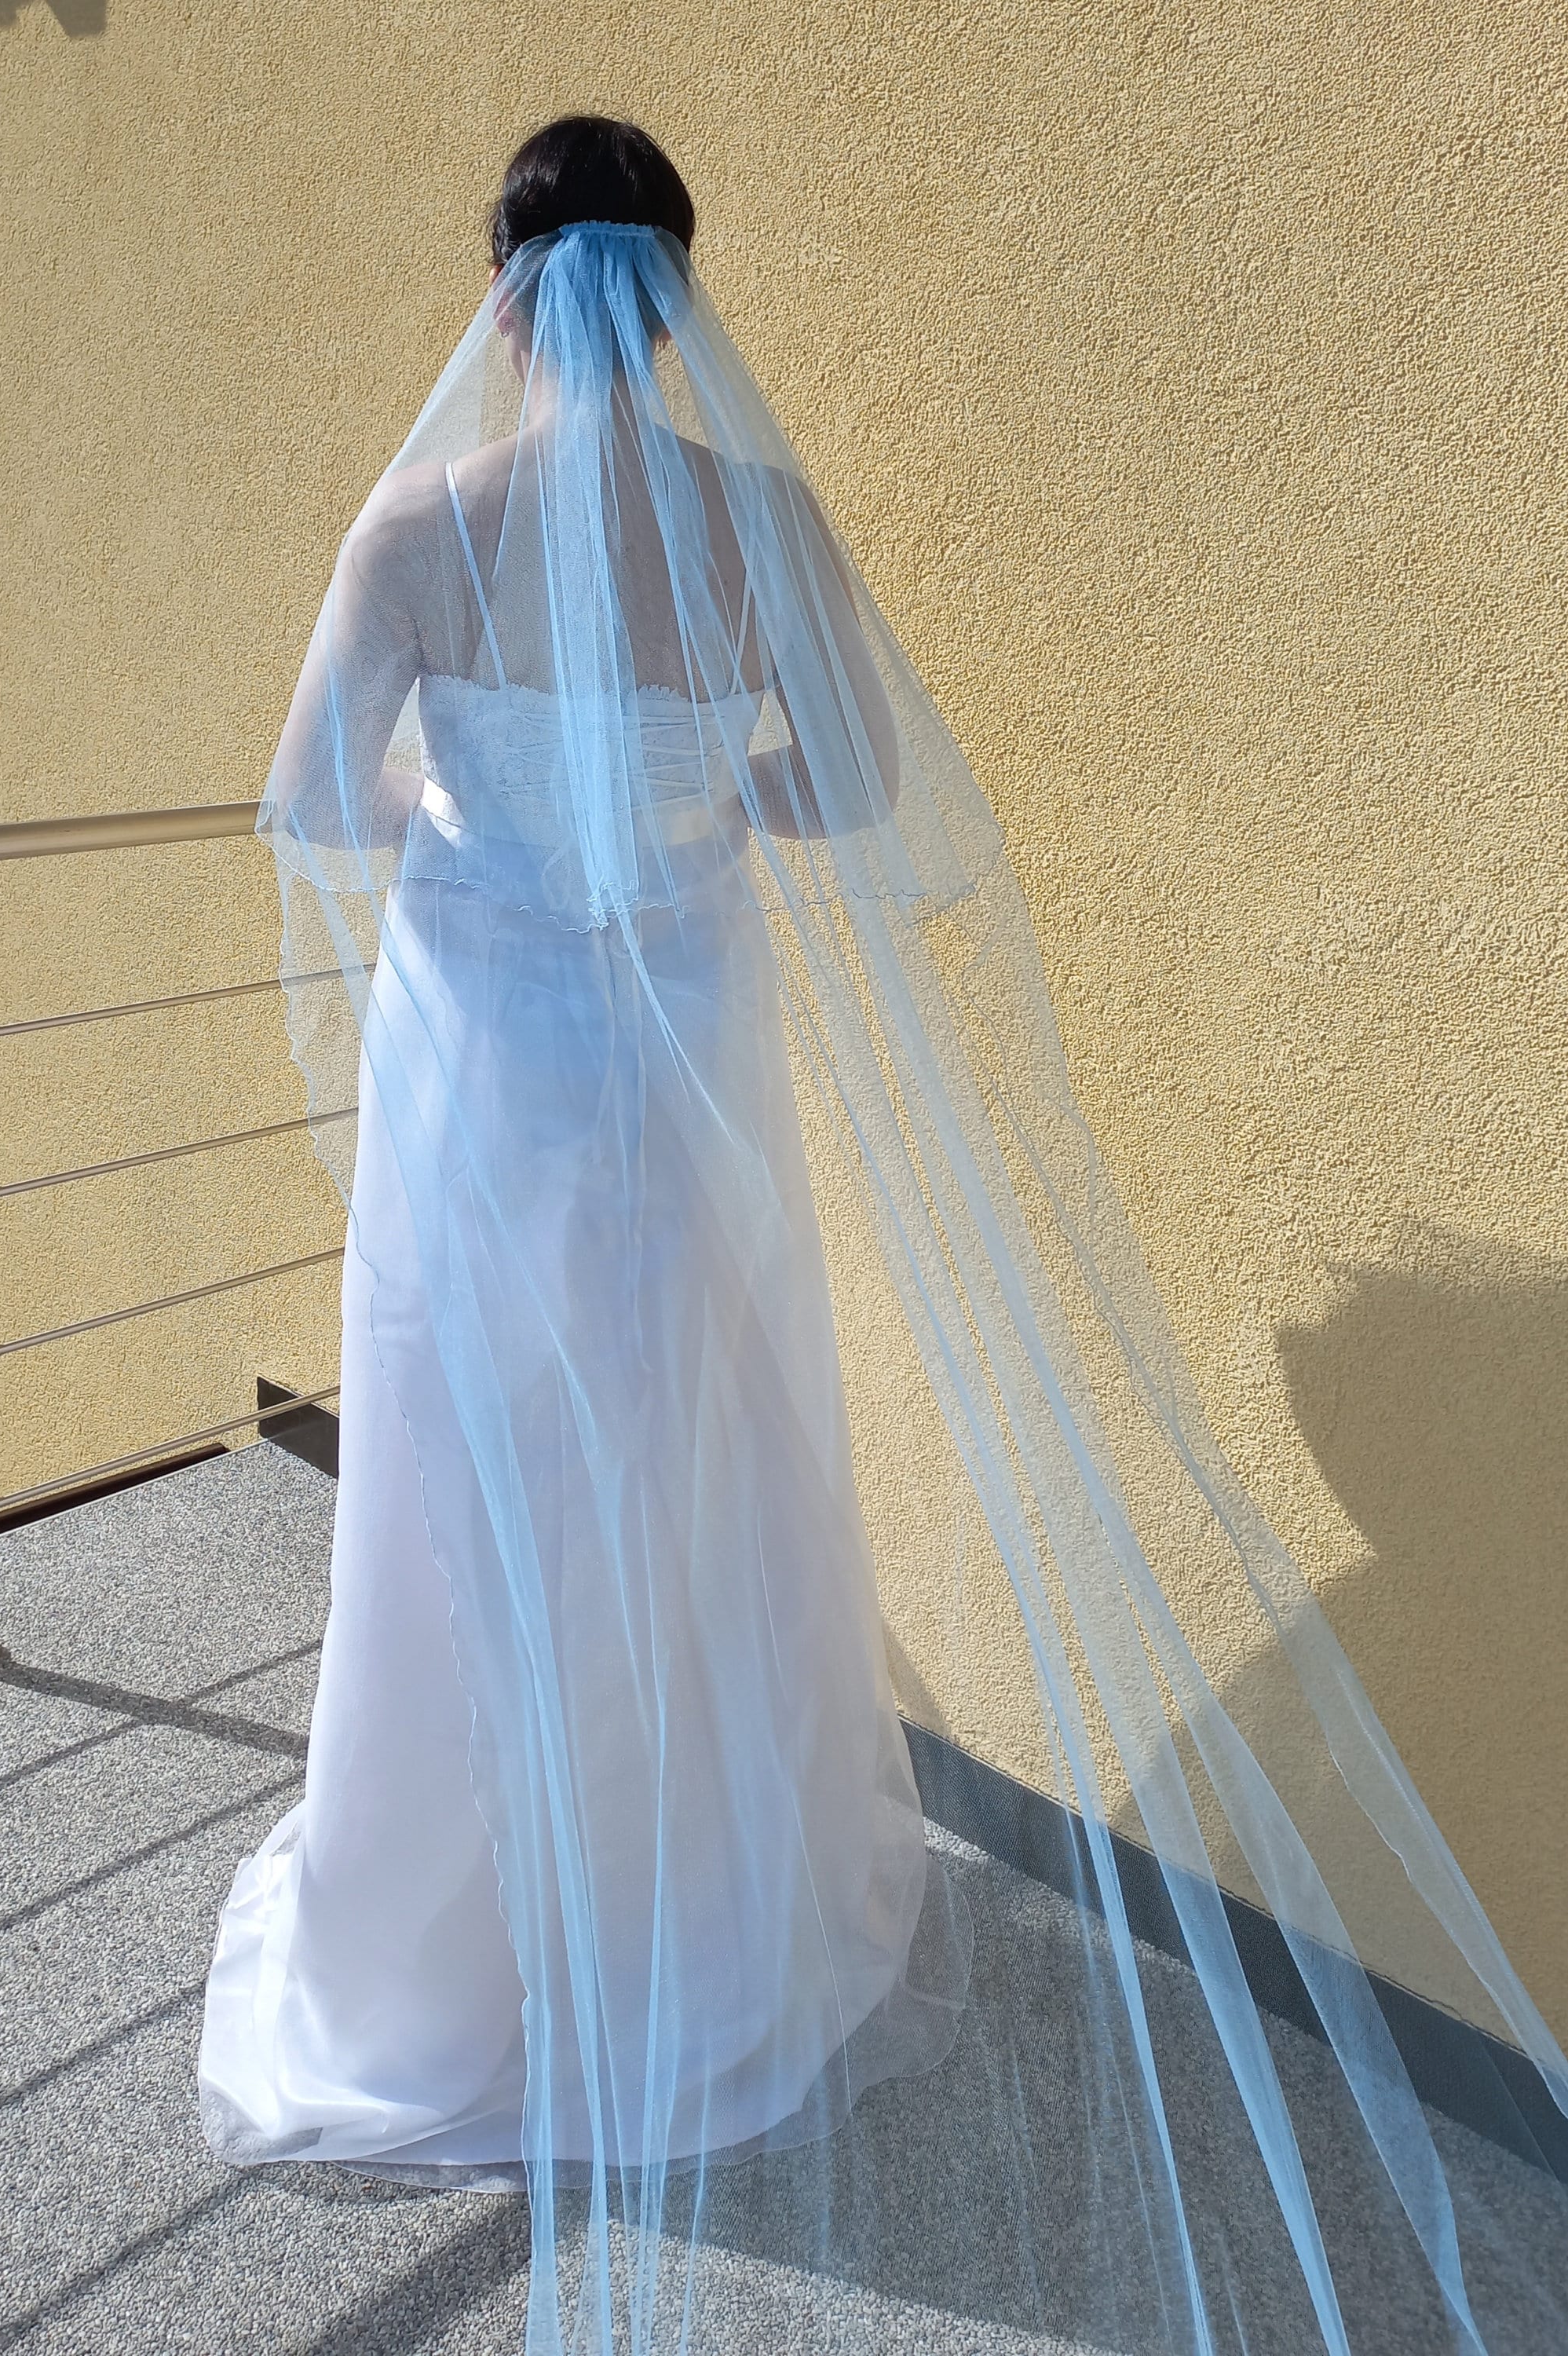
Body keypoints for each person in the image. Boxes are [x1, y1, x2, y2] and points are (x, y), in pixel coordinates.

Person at [199, 115, 1567, 2355]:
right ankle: (706, 1938)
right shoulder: (752, 522)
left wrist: (478, 811)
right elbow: (844, 789)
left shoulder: (427, 525)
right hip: (678, 1081)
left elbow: (310, 810)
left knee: (470, 1483)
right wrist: (682, 795)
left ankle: (434, 1961)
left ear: (504, 291)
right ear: (675, 296)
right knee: (699, 1451)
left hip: (489, 1080)